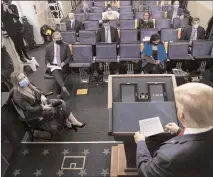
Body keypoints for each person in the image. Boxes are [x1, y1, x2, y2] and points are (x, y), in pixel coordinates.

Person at [134, 82, 213, 177]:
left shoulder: (169, 157)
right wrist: (179, 131)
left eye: (178, 107)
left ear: (181, 115)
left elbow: (145, 172)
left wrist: (141, 143)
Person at [10, 71, 86, 131]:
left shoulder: (28, 84)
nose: (25, 79)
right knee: (58, 108)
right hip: (34, 112)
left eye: (24, 76)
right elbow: (30, 109)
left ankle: (70, 123)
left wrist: (42, 95)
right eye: (21, 79)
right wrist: (43, 108)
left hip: (41, 103)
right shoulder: (18, 96)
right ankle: (70, 123)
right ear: (17, 83)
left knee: (61, 102)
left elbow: (39, 90)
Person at [45, 31, 71, 98]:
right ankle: (62, 87)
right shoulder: (48, 47)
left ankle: (59, 92)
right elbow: (46, 58)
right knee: (56, 72)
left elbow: (69, 57)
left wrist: (64, 63)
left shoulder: (65, 45)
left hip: (62, 65)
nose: (59, 39)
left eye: (60, 38)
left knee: (57, 75)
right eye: (57, 38)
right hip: (53, 65)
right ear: (53, 39)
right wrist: (47, 63)